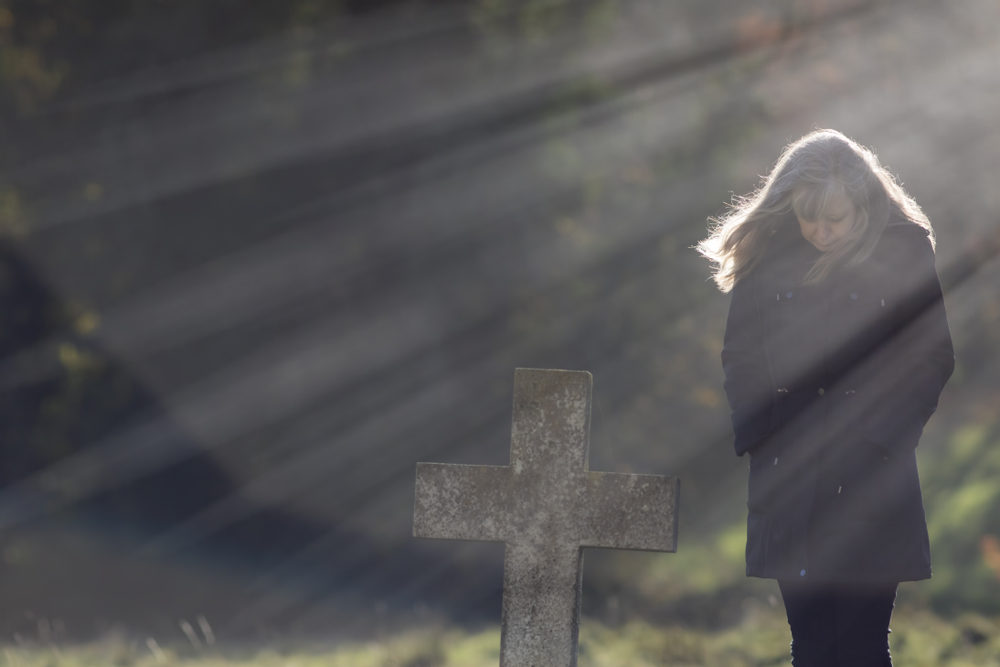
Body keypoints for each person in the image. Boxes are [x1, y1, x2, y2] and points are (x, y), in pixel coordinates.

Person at [697, 129, 955, 666]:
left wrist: (882, 437)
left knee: (862, 647)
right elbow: (740, 358)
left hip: (872, 474)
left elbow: (931, 357)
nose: (820, 230)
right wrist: (764, 433)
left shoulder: (904, 250)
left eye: (833, 218)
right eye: (807, 216)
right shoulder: (766, 257)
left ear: (862, 205)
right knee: (812, 647)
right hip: (791, 475)